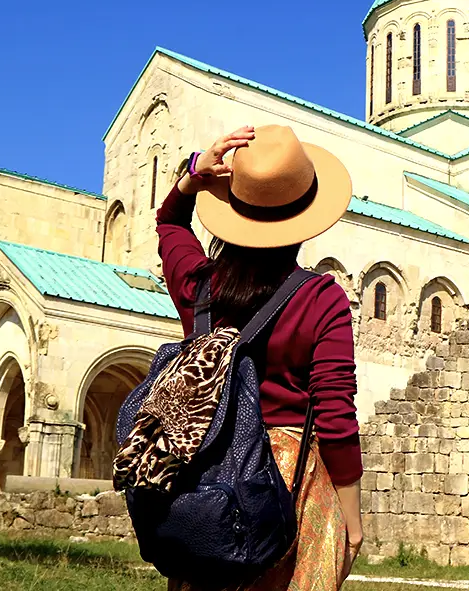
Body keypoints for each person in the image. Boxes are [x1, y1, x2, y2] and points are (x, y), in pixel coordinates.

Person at [156, 124, 363, 591]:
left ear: (234, 208)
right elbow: (334, 413)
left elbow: (169, 224)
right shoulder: (321, 298)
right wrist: (352, 516)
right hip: (290, 487)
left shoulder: (198, 287)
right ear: (305, 216)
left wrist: (193, 175)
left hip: (208, 475)